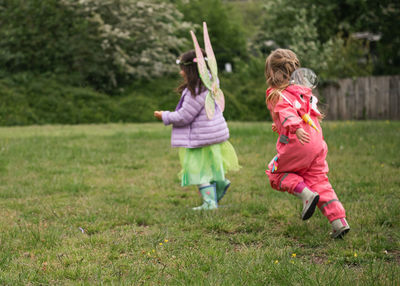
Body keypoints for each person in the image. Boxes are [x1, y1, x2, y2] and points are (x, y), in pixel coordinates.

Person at [264, 48, 350, 238]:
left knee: (274, 172)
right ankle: (339, 221)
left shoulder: (276, 93)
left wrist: (294, 128)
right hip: (317, 143)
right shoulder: (303, 92)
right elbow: (297, 114)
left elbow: (287, 112)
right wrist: (280, 125)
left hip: (298, 142)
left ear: (272, 72)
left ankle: (305, 194)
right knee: (319, 181)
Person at [154, 49, 240, 210]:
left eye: (183, 69)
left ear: (191, 70)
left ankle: (209, 203)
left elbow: (184, 116)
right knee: (212, 165)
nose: (181, 73)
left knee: (197, 170)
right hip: (214, 134)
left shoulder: (196, 91)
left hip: (201, 137)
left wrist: (164, 116)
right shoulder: (211, 83)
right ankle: (220, 183)